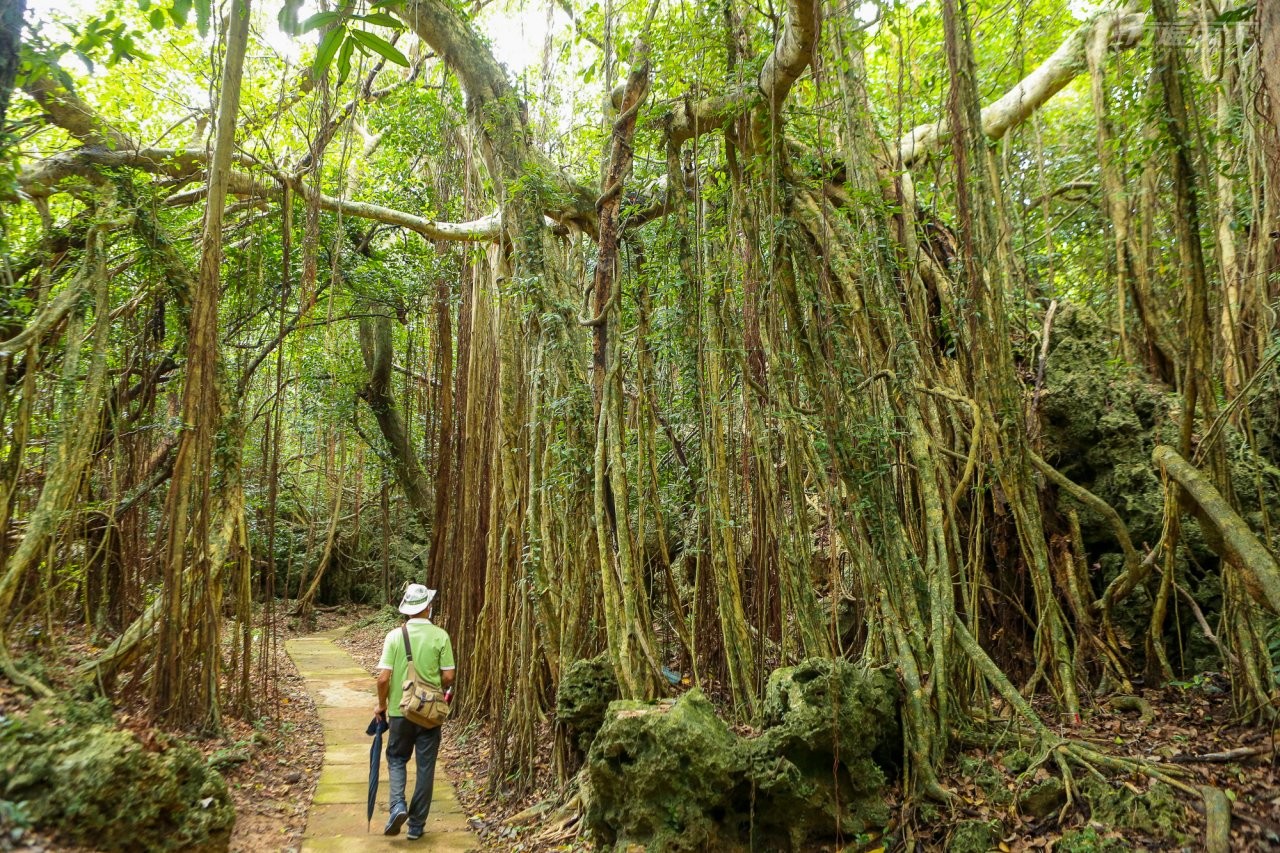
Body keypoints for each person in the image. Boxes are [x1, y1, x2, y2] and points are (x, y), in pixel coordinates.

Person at [375, 583, 456, 839]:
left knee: (397, 759)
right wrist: (432, 686)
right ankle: (417, 826)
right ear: (428, 608)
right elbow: (449, 676)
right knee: (425, 767)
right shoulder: (440, 635)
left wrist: (381, 706)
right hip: (429, 714)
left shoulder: (394, 636)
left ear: (407, 610)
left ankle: (397, 805)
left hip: (400, 712)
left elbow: (383, 678)